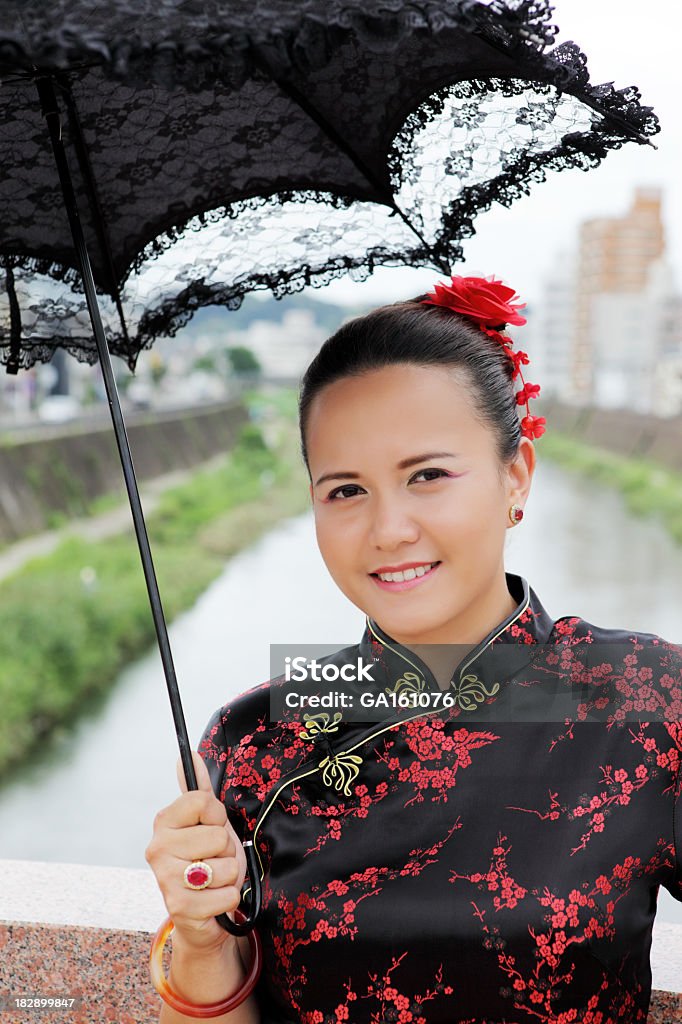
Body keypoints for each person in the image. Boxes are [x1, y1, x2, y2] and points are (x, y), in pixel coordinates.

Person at [145, 275, 681, 1024]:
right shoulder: (256, 740)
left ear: (515, 477)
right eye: (345, 491)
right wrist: (202, 936)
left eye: (427, 476)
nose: (389, 528)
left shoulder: (647, 701)